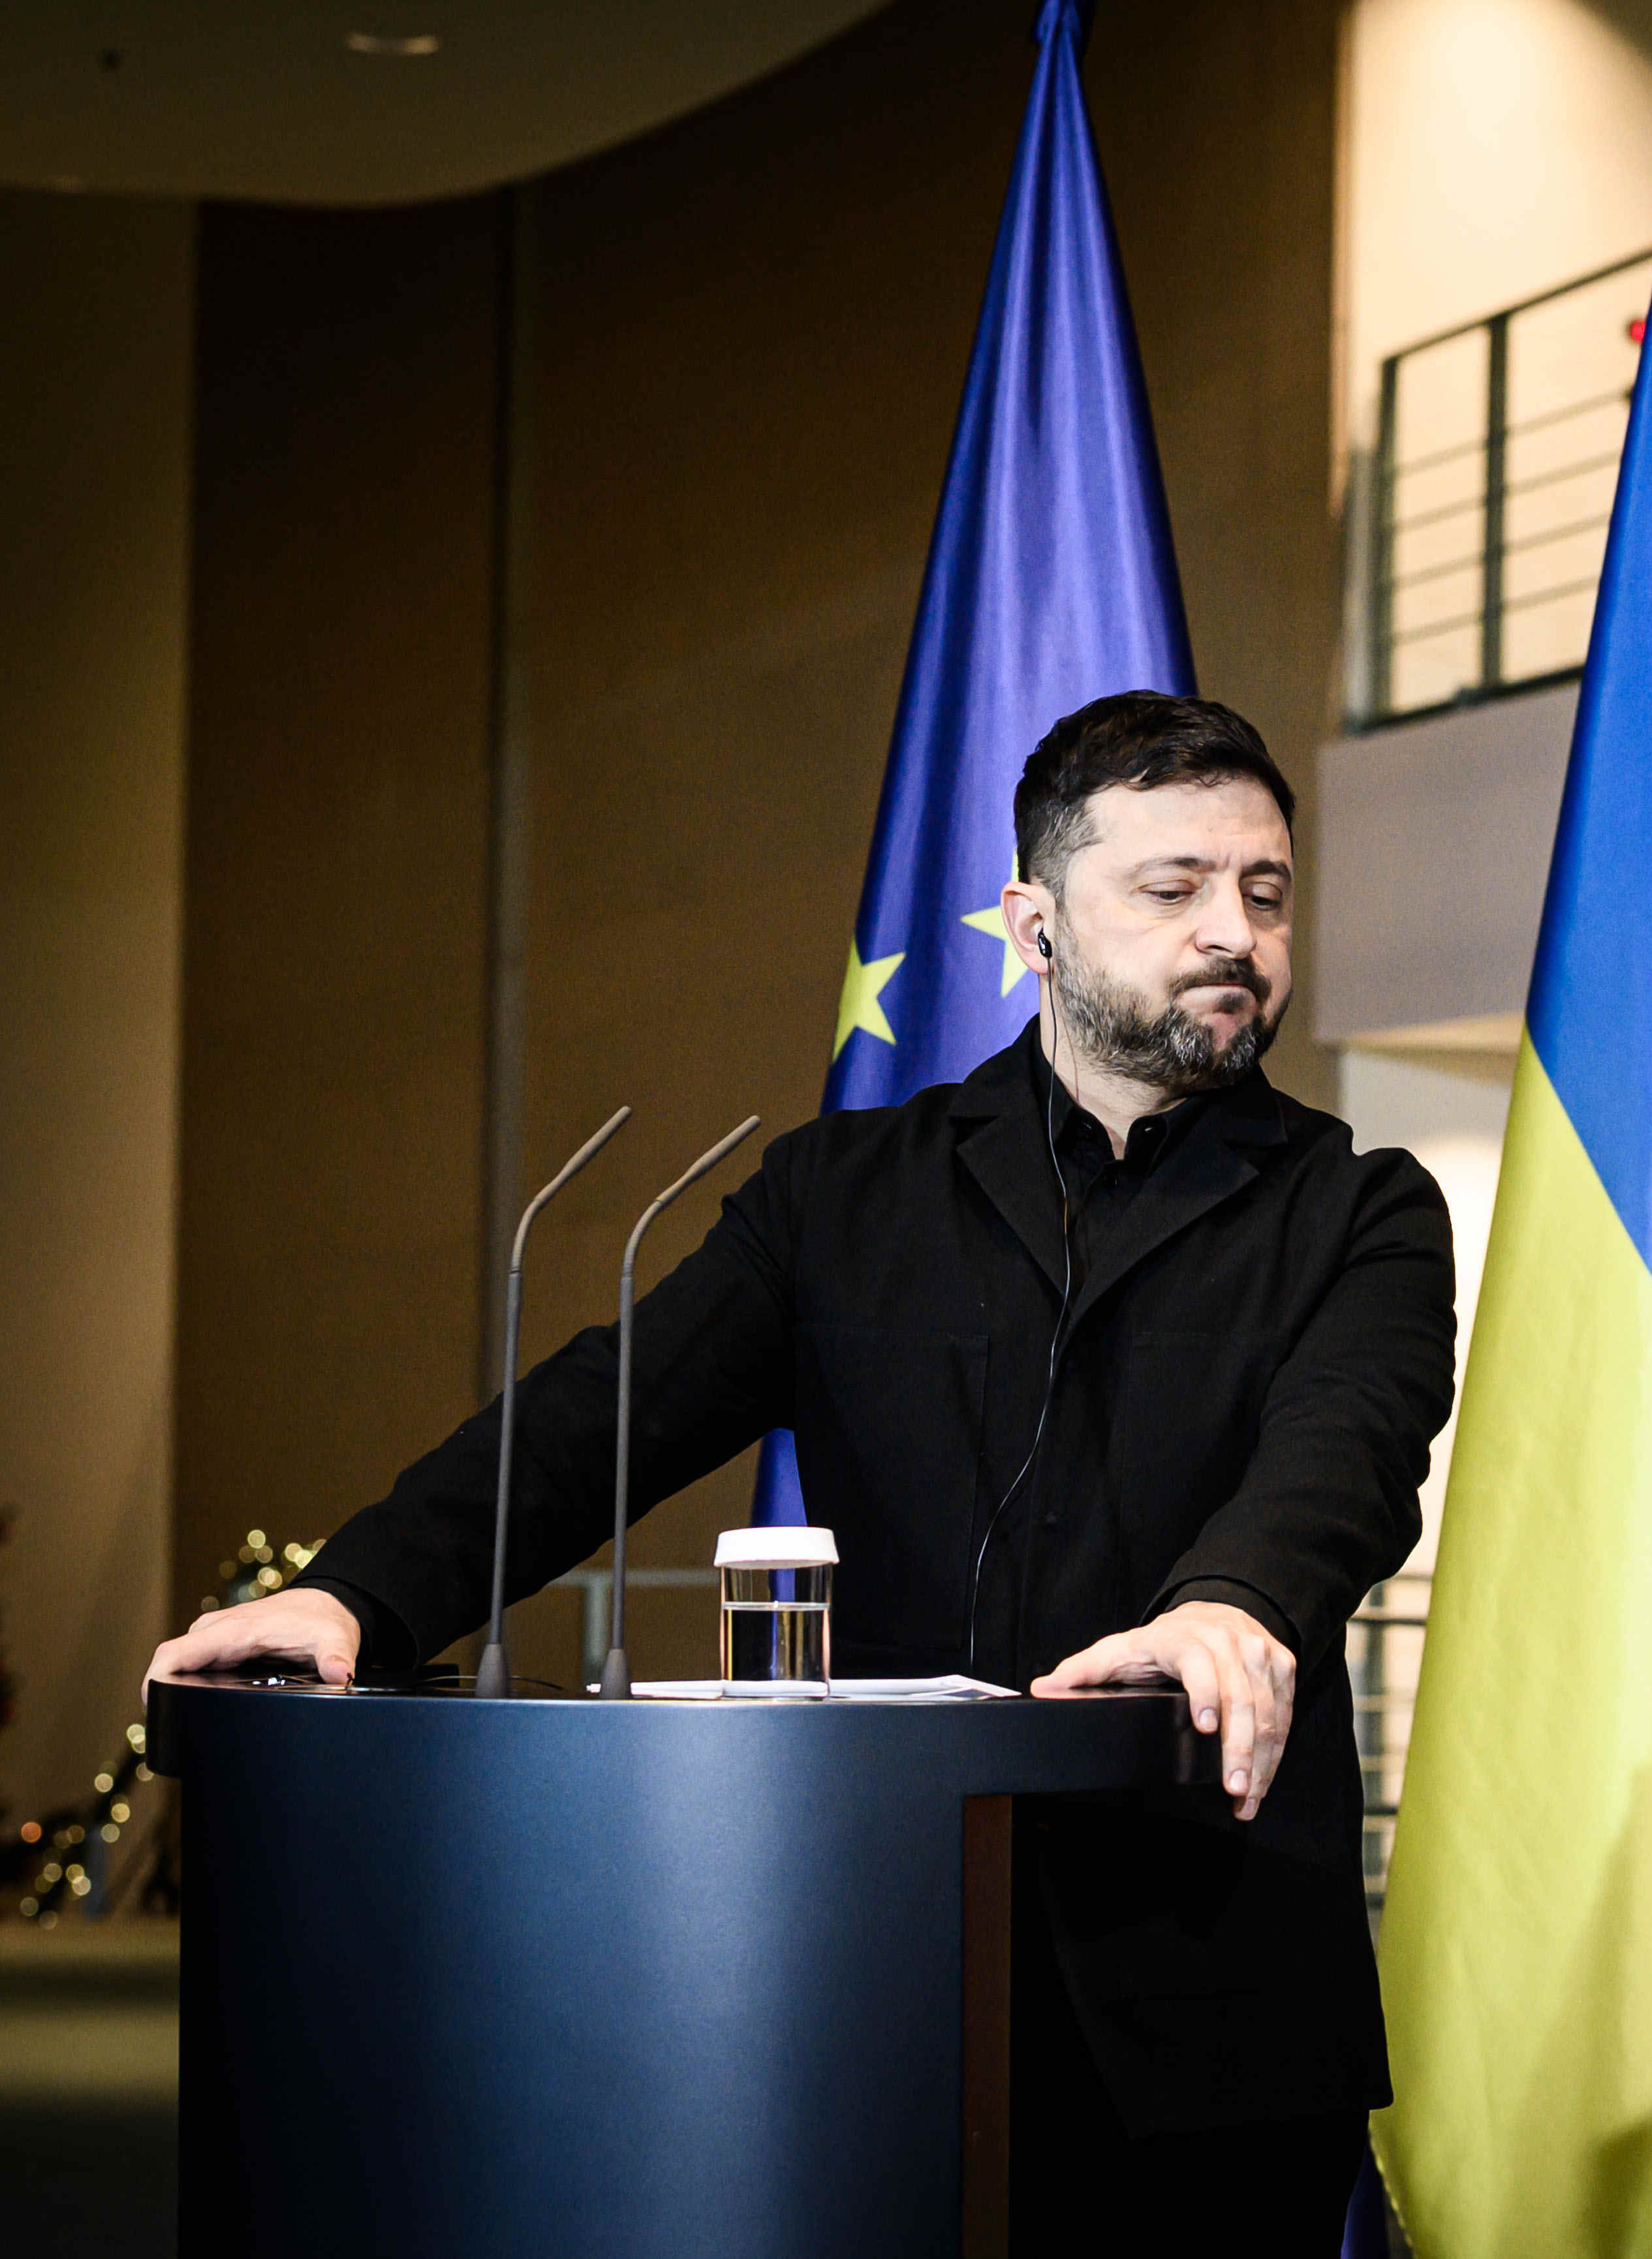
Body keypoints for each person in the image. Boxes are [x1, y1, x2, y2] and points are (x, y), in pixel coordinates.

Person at [153, 692, 1456, 2249]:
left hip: (1215, 2010)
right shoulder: (842, 1195)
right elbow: (595, 1421)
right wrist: (356, 1595)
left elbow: (1348, 1451)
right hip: (870, 1982)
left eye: (1264, 890)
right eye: (1173, 888)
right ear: (1035, 926)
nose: (1233, 931)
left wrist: (1232, 1603)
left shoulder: (1366, 1207)